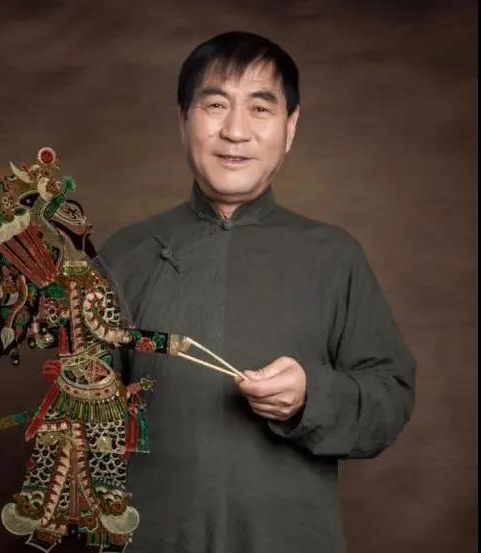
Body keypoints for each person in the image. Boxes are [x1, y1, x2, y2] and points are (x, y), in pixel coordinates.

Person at [96, 31, 416, 553]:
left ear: (290, 128)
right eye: (215, 105)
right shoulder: (123, 255)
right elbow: (85, 420)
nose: (236, 131)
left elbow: (390, 398)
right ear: (183, 120)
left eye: (260, 108)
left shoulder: (334, 256)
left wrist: (311, 398)